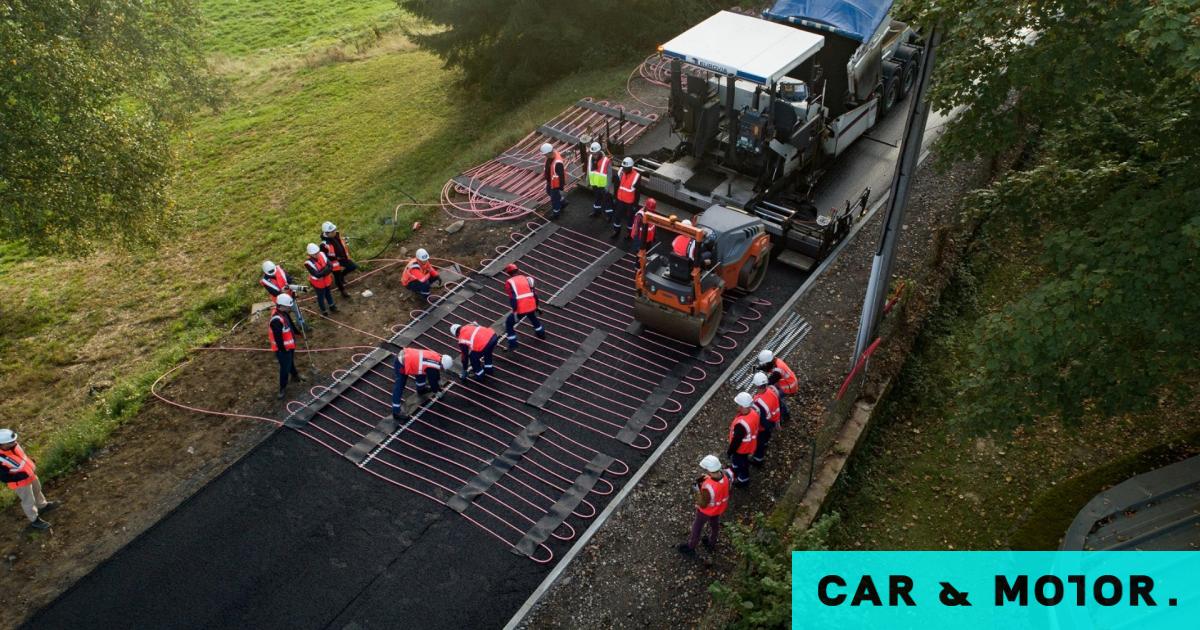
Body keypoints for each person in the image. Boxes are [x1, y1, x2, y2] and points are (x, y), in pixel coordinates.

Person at [0, 429, 58, 531]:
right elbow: (3, 477)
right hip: (20, 483)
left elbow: (21, 458)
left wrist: (30, 460)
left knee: (37, 490)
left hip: (30, 474)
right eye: (10, 442)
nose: (14, 443)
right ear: (2, 444)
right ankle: (34, 520)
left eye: (14, 440)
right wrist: (19, 476)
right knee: (28, 501)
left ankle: (42, 505)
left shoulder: (14, 445)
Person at [676, 454, 732, 555]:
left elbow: (702, 503)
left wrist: (696, 491)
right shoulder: (725, 476)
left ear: (709, 470)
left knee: (697, 527)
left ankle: (691, 546)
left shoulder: (708, 487)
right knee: (715, 525)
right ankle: (712, 542)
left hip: (706, 511)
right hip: (718, 508)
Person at [391, 348, 453, 421]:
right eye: (442, 368)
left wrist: (438, 382)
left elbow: (434, 372)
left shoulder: (436, 356)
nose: (442, 369)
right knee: (400, 386)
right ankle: (396, 412)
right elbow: (432, 381)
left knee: (421, 371)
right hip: (402, 362)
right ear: (442, 365)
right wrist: (437, 391)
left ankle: (421, 389)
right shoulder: (431, 367)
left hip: (409, 356)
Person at [269, 294, 305, 400]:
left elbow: (290, 324)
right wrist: (283, 350)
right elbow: (278, 338)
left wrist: (297, 332)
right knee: (285, 368)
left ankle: (295, 375)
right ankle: (282, 388)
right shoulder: (276, 320)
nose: (290, 308)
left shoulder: (283, 313)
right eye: (288, 306)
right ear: (282, 306)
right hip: (283, 349)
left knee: (290, 362)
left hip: (289, 345)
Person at [502, 263, 546, 350]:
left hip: (521, 307)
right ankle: (541, 333)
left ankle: (513, 344)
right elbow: (534, 294)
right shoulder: (528, 279)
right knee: (532, 316)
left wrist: (515, 311)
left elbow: (513, 299)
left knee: (509, 323)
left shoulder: (509, 282)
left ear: (508, 273)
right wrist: (537, 306)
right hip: (531, 304)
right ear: (518, 270)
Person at [749, 371, 789, 466]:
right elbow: (777, 405)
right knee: (766, 436)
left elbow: (761, 419)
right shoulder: (771, 391)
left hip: (763, 427)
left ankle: (758, 459)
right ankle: (765, 443)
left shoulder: (757, 402)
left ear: (756, 385)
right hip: (773, 421)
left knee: (759, 444)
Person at [260, 260, 308, 332]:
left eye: (273, 270)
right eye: (270, 272)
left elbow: (290, 280)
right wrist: (283, 291)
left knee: (297, 311)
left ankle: (303, 326)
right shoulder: (265, 281)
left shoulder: (280, 270)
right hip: (280, 302)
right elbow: (274, 292)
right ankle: (291, 330)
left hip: (290, 296)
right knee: (285, 317)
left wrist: (294, 290)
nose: (272, 273)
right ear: (265, 272)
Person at [727, 392, 761, 487]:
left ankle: (743, 480)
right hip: (750, 445)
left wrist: (729, 452)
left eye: (738, 404)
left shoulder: (741, 425)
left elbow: (736, 441)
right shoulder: (753, 413)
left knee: (742, 463)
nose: (737, 406)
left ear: (742, 407)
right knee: (740, 461)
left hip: (741, 449)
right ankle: (735, 468)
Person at [321, 221, 358, 299]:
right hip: (334, 263)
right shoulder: (324, 244)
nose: (334, 232)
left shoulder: (336, 235)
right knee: (337, 277)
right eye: (332, 231)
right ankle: (343, 291)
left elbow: (341, 243)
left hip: (343, 258)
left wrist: (345, 241)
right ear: (327, 233)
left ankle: (342, 276)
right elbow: (324, 257)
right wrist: (334, 259)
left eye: (334, 230)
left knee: (353, 266)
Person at [304, 243, 338, 315]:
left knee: (328, 293)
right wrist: (326, 269)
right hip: (318, 283)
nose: (317, 255)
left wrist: (323, 271)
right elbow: (317, 275)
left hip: (326, 280)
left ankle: (332, 306)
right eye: (314, 254)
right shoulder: (308, 263)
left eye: (317, 253)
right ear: (310, 254)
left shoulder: (322, 254)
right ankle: (323, 310)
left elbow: (331, 266)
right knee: (321, 296)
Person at [612, 157, 640, 238]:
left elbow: (637, 192)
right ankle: (616, 230)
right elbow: (616, 185)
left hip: (630, 203)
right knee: (617, 216)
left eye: (626, 168)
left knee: (630, 218)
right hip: (620, 200)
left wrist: (635, 204)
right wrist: (615, 197)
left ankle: (629, 233)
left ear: (631, 167)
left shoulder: (636, 176)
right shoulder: (621, 171)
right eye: (623, 167)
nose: (624, 169)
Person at [541, 142, 567, 218]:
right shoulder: (550, 157)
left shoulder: (557, 162)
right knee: (548, 191)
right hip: (550, 181)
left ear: (549, 153)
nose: (544, 155)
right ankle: (562, 202)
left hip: (555, 184)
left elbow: (561, 175)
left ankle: (556, 213)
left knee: (554, 199)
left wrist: (561, 187)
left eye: (545, 154)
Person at [586, 142, 612, 218]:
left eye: (596, 154)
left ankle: (609, 215)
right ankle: (597, 212)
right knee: (597, 198)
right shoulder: (590, 157)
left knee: (607, 200)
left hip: (603, 185)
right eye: (593, 153)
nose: (594, 156)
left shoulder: (606, 161)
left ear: (599, 152)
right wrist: (588, 180)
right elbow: (589, 169)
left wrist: (607, 187)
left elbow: (609, 175)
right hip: (594, 184)